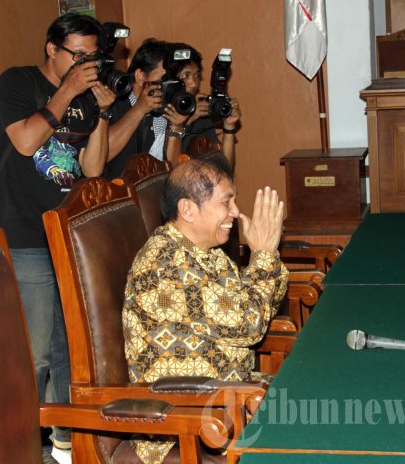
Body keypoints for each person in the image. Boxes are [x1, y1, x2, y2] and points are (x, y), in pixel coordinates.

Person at [0, 13, 116, 462]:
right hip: (23, 232)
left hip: (65, 233)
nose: (85, 65)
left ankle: (65, 444)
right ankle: (19, 447)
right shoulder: (16, 83)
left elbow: (93, 168)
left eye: (92, 57)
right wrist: (67, 90)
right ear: (52, 49)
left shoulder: (85, 97)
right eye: (77, 55)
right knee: (36, 352)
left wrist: (102, 113)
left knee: (71, 348)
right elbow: (26, 142)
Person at [122, 154, 288, 463]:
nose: (235, 212)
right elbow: (251, 325)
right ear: (188, 209)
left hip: (228, 398)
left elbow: (263, 305)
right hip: (188, 418)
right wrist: (263, 256)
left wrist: (266, 256)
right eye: (226, 202)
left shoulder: (204, 251)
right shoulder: (167, 268)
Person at [103, 38, 189, 178]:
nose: (169, 84)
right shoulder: (112, 103)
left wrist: (176, 127)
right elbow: (102, 155)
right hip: (114, 189)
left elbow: (174, 174)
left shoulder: (167, 107)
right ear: (140, 77)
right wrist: (140, 109)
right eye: (164, 78)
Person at [175, 44, 241, 166]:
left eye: (196, 75)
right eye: (186, 76)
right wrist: (187, 121)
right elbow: (169, 167)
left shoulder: (200, 112)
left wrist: (229, 126)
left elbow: (225, 168)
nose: (194, 83)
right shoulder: (161, 113)